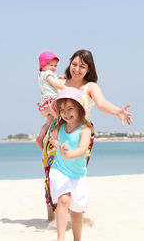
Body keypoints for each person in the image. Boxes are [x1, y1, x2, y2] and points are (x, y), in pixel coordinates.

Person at [42, 49, 133, 221]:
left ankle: (74, 216)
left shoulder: (90, 87)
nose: (76, 69)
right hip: (57, 130)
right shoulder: (60, 82)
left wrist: (117, 112)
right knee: (50, 174)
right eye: (74, 64)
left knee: (74, 174)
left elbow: (101, 103)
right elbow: (46, 103)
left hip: (81, 133)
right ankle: (52, 221)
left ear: (89, 69)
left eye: (82, 66)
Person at [48, 87, 93, 241]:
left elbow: (82, 149)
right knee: (64, 199)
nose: (66, 113)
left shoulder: (85, 129)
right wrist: (56, 144)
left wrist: (68, 154)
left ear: (79, 108)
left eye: (70, 109)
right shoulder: (59, 127)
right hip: (59, 170)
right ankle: (61, 238)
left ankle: (77, 239)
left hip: (78, 175)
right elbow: (54, 140)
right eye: (62, 110)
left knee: (77, 212)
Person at [36, 51, 67, 151]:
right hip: (52, 101)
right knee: (60, 119)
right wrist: (66, 88)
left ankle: (40, 138)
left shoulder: (42, 75)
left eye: (55, 65)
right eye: (51, 65)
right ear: (43, 65)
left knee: (48, 123)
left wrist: (59, 78)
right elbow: (55, 84)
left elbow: (50, 83)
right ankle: (54, 138)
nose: (53, 67)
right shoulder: (48, 74)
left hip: (44, 104)